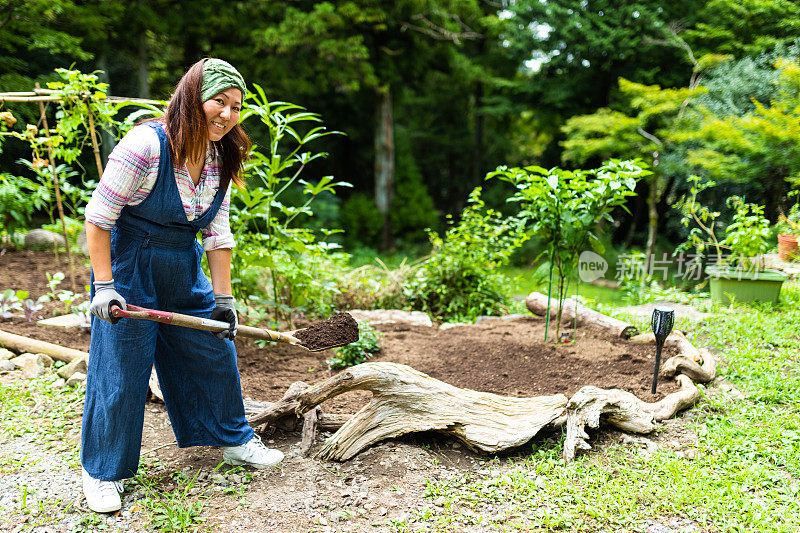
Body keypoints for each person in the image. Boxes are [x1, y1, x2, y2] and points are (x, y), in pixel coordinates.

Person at [81, 58, 283, 514]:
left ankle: (233, 440)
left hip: (181, 262)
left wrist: (224, 299)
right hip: (130, 264)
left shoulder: (220, 156)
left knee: (211, 348)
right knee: (122, 367)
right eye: (219, 102)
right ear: (193, 98)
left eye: (236, 106)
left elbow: (218, 233)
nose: (228, 115)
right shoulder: (145, 146)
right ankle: (101, 473)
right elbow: (98, 219)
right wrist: (104, 287)